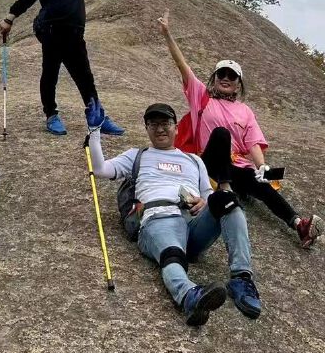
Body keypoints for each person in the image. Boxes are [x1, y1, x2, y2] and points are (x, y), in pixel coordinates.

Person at [157, 9, 323, 248]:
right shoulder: (202, 97)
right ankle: (226, 189)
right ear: (214, 78)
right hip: (208, 164)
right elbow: (183, 66)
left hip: (236, 167)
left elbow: (252, 142)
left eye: (232, 76)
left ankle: (299, 225)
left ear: (238, 84)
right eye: (221, 74)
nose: (226, 78)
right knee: (222, 134)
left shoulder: (245, 111)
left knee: (262, 185)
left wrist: (262, 167)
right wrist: (167, 34)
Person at [87, 101, 261, 325]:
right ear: (147, 129)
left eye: (166, 123)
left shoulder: (194, 160)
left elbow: (208, 195)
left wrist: (204, 202)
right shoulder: (137, 155)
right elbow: (100, 169)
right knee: (171, 251)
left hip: (193, 223)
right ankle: (189, 296)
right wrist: (94, 132)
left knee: (227, 200)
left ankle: (241, 278)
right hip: (158, 217)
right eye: (153, 124)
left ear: (176, 128)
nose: (160, 129)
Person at [0, 0, 136, 136]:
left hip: (75, 36)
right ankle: (51, 116)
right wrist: (9, 19)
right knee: (50, 76)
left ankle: (97, 117)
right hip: (52, 35)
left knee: (85, 78)